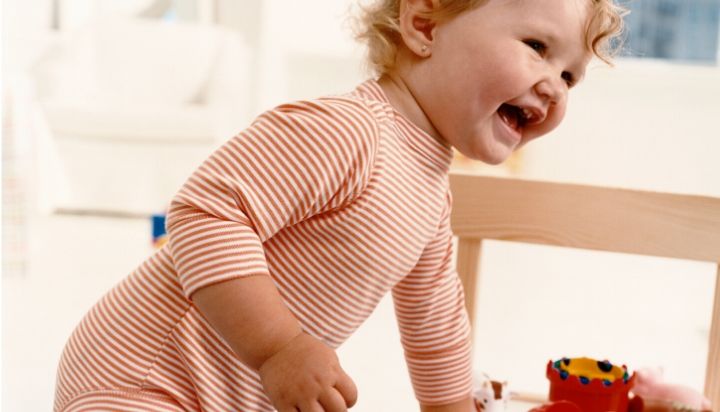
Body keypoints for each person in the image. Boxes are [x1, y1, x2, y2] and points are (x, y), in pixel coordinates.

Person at [53, 0, 625, 411]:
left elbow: (435, 324)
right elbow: (206, 212)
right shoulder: (349, 131)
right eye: (536, 48)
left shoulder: (429, 188)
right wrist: (278, 348)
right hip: (139, 379)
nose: (554, 85)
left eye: (571, 75)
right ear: (424, 24)